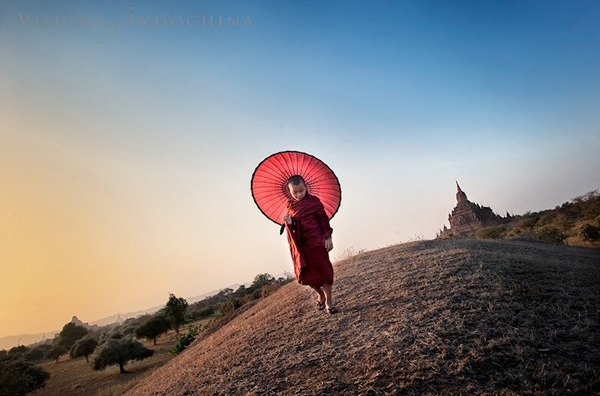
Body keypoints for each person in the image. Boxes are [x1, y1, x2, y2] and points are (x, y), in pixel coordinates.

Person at [283, 175, 338, 314]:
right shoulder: (290, 208)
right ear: (289, 191)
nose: (298, 194)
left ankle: (329, 302)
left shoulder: (314, 202)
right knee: (307, 275)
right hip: (304, 247)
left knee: (324, 272)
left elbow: (324, 221)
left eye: (301, 190)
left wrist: (328, 238)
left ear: (306, 187)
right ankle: (320, 294)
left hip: (318, 243)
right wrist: (290, 224)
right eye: (294, 192)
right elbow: (294, 230)